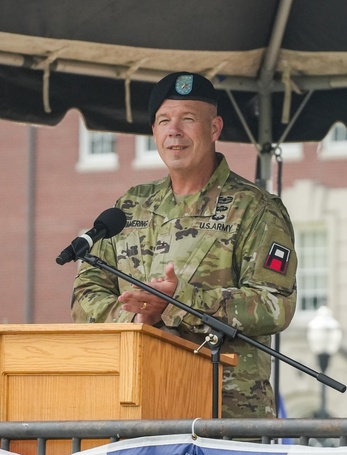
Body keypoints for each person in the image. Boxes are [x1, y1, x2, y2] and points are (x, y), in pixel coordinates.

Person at [71, 71, 298, 418]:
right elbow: (87, 290)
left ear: (215, 128)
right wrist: (136, 319)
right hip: (135, 405)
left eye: (188, 119)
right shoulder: (130, 206)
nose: (174, 131)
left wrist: (177, 303)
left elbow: (274, 304)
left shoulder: (256, 209)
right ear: (154, 132)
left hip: (224, 415)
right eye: (164, 121)